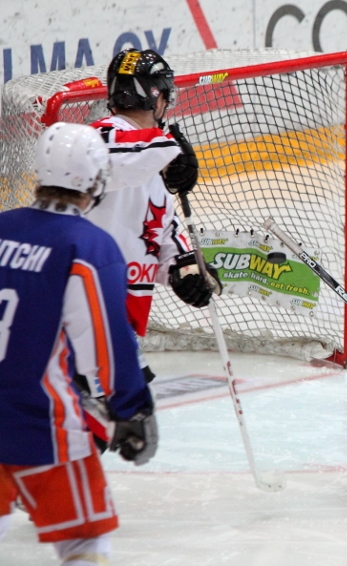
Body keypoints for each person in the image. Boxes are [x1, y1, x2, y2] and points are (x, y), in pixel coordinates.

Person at [0, 123, 159, 565]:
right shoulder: (86, 246)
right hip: (44, 425)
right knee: (84, 545)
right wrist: (132, 408)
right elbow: (106, 345)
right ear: (95, 179)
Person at [85, 47, 220, 387]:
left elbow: (161, 236)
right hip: (85, 316)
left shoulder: (150, 163)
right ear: (154, 95)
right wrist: (167, 146)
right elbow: (115, 155)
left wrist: (186, 271)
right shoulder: (97, 138)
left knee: (119, 428)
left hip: (119, 320)